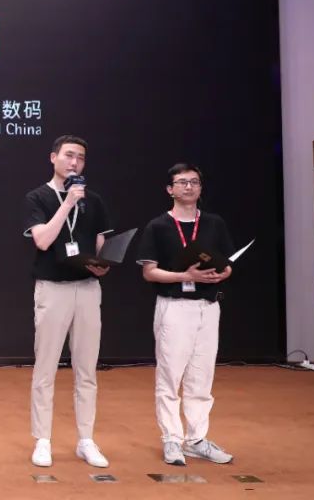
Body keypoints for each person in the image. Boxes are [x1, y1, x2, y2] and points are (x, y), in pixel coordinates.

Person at [135, 163, 234, 465]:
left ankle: (196, 439)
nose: (189, 187)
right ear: (170, 189)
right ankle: (171, 439)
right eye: (182, 182)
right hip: (174, 307)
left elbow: (228, 263)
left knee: (202, 376)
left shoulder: (214, 223)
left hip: (208, 306)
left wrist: (223, 273)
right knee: (170, 375)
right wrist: (185, 276)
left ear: (201, 188)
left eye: (194, 182)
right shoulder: (158, 226)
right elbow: (149, 272)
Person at [23, 135, 112, 468]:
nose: (75, 162)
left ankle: (86, 439)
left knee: (86, 369)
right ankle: (43, 440)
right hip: (52, 288)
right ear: (53, 158)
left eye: (81, 158)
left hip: (87, 289)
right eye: (69, 155)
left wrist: (102, 264)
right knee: (45, 368)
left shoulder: (95, 200)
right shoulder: (38, 197)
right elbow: (43, 241)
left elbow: (101, 245)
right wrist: (68, 203)